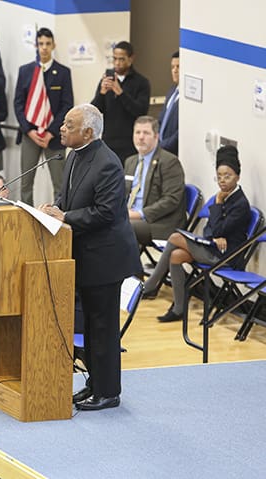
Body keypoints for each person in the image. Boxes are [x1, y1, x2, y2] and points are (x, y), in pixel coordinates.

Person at [40, 103, 142, 411]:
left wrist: (65, 215)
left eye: (69, 125)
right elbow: (66, 197)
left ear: (87, 132)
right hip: (84, 257)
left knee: (103, 328)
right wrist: (53, 209)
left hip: (105, 260)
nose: (62, 128)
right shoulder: (73, 155)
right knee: (92, 326)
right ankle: (94, 384)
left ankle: (108, 392)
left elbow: (106, 213)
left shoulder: (108, 163)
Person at [143, 145, 251, 322]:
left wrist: (217, 205)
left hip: (227, 255)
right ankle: (178, 309)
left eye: (228, 176)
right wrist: (217, 235)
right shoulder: (223, 195)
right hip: (213, 247)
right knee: (176, 256)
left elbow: (215, 229)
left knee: (175, 237)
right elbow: (210, 229)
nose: (222, 180)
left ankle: (151, 284)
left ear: (238, 177)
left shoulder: (239, 203)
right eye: (220, 176)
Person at [14, 27, 73, 203]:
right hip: (30, 135)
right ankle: (26, 219)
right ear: (36, 45)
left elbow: (67, 105)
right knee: (25, 183)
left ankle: (59, 220)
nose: (44, 47)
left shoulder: (63, 72)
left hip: (54, 136)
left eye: (48, 43)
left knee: (60, 184)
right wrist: (30, 131)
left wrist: (51, 132)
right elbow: (18, 104)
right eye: (41, 44)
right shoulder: (26, 71)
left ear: (53, 45)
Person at [124, 116, 186, 246]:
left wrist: (139, 214)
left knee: (121, 228)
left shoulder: (169, 162)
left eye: (146, 133)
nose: (141, 137)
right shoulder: (130, 161)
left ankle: (125, 266)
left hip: (159, 223)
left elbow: (171, 200)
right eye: (137, 132)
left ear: (156, 137)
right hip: (129, 216)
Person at [91, 41, 150, 163]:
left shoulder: (141, 82)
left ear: (131, 59)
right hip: (108, 141)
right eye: (115, 59)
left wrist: (121, 93)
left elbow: (140, 111)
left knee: (128, 179)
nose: (117, 63)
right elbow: (95, 110)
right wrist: (102, 93)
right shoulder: (107, 79)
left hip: (130, 143)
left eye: (121, 59)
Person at [158, 51, 180, 155]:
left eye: (178, 67)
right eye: (172, 67)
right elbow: (161, 119)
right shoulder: (172, 91)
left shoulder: (186, 99)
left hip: (173, 152)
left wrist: (162, 146)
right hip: (161, 148)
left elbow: (180, 133)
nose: (175, 70)